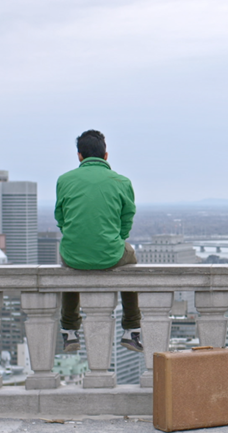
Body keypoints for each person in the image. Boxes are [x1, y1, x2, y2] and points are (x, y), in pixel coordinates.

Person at [55, 129, 143, 353]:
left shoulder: (64, 180)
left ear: (79, 156)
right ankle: (132, 328)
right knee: (130, 255)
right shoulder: (121, 181)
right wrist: (115, 240)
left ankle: (69, 329)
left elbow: (61, 217)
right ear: (106, 156)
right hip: (111, 254)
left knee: (69, 260)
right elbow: (126, 220)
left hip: (73, 254)